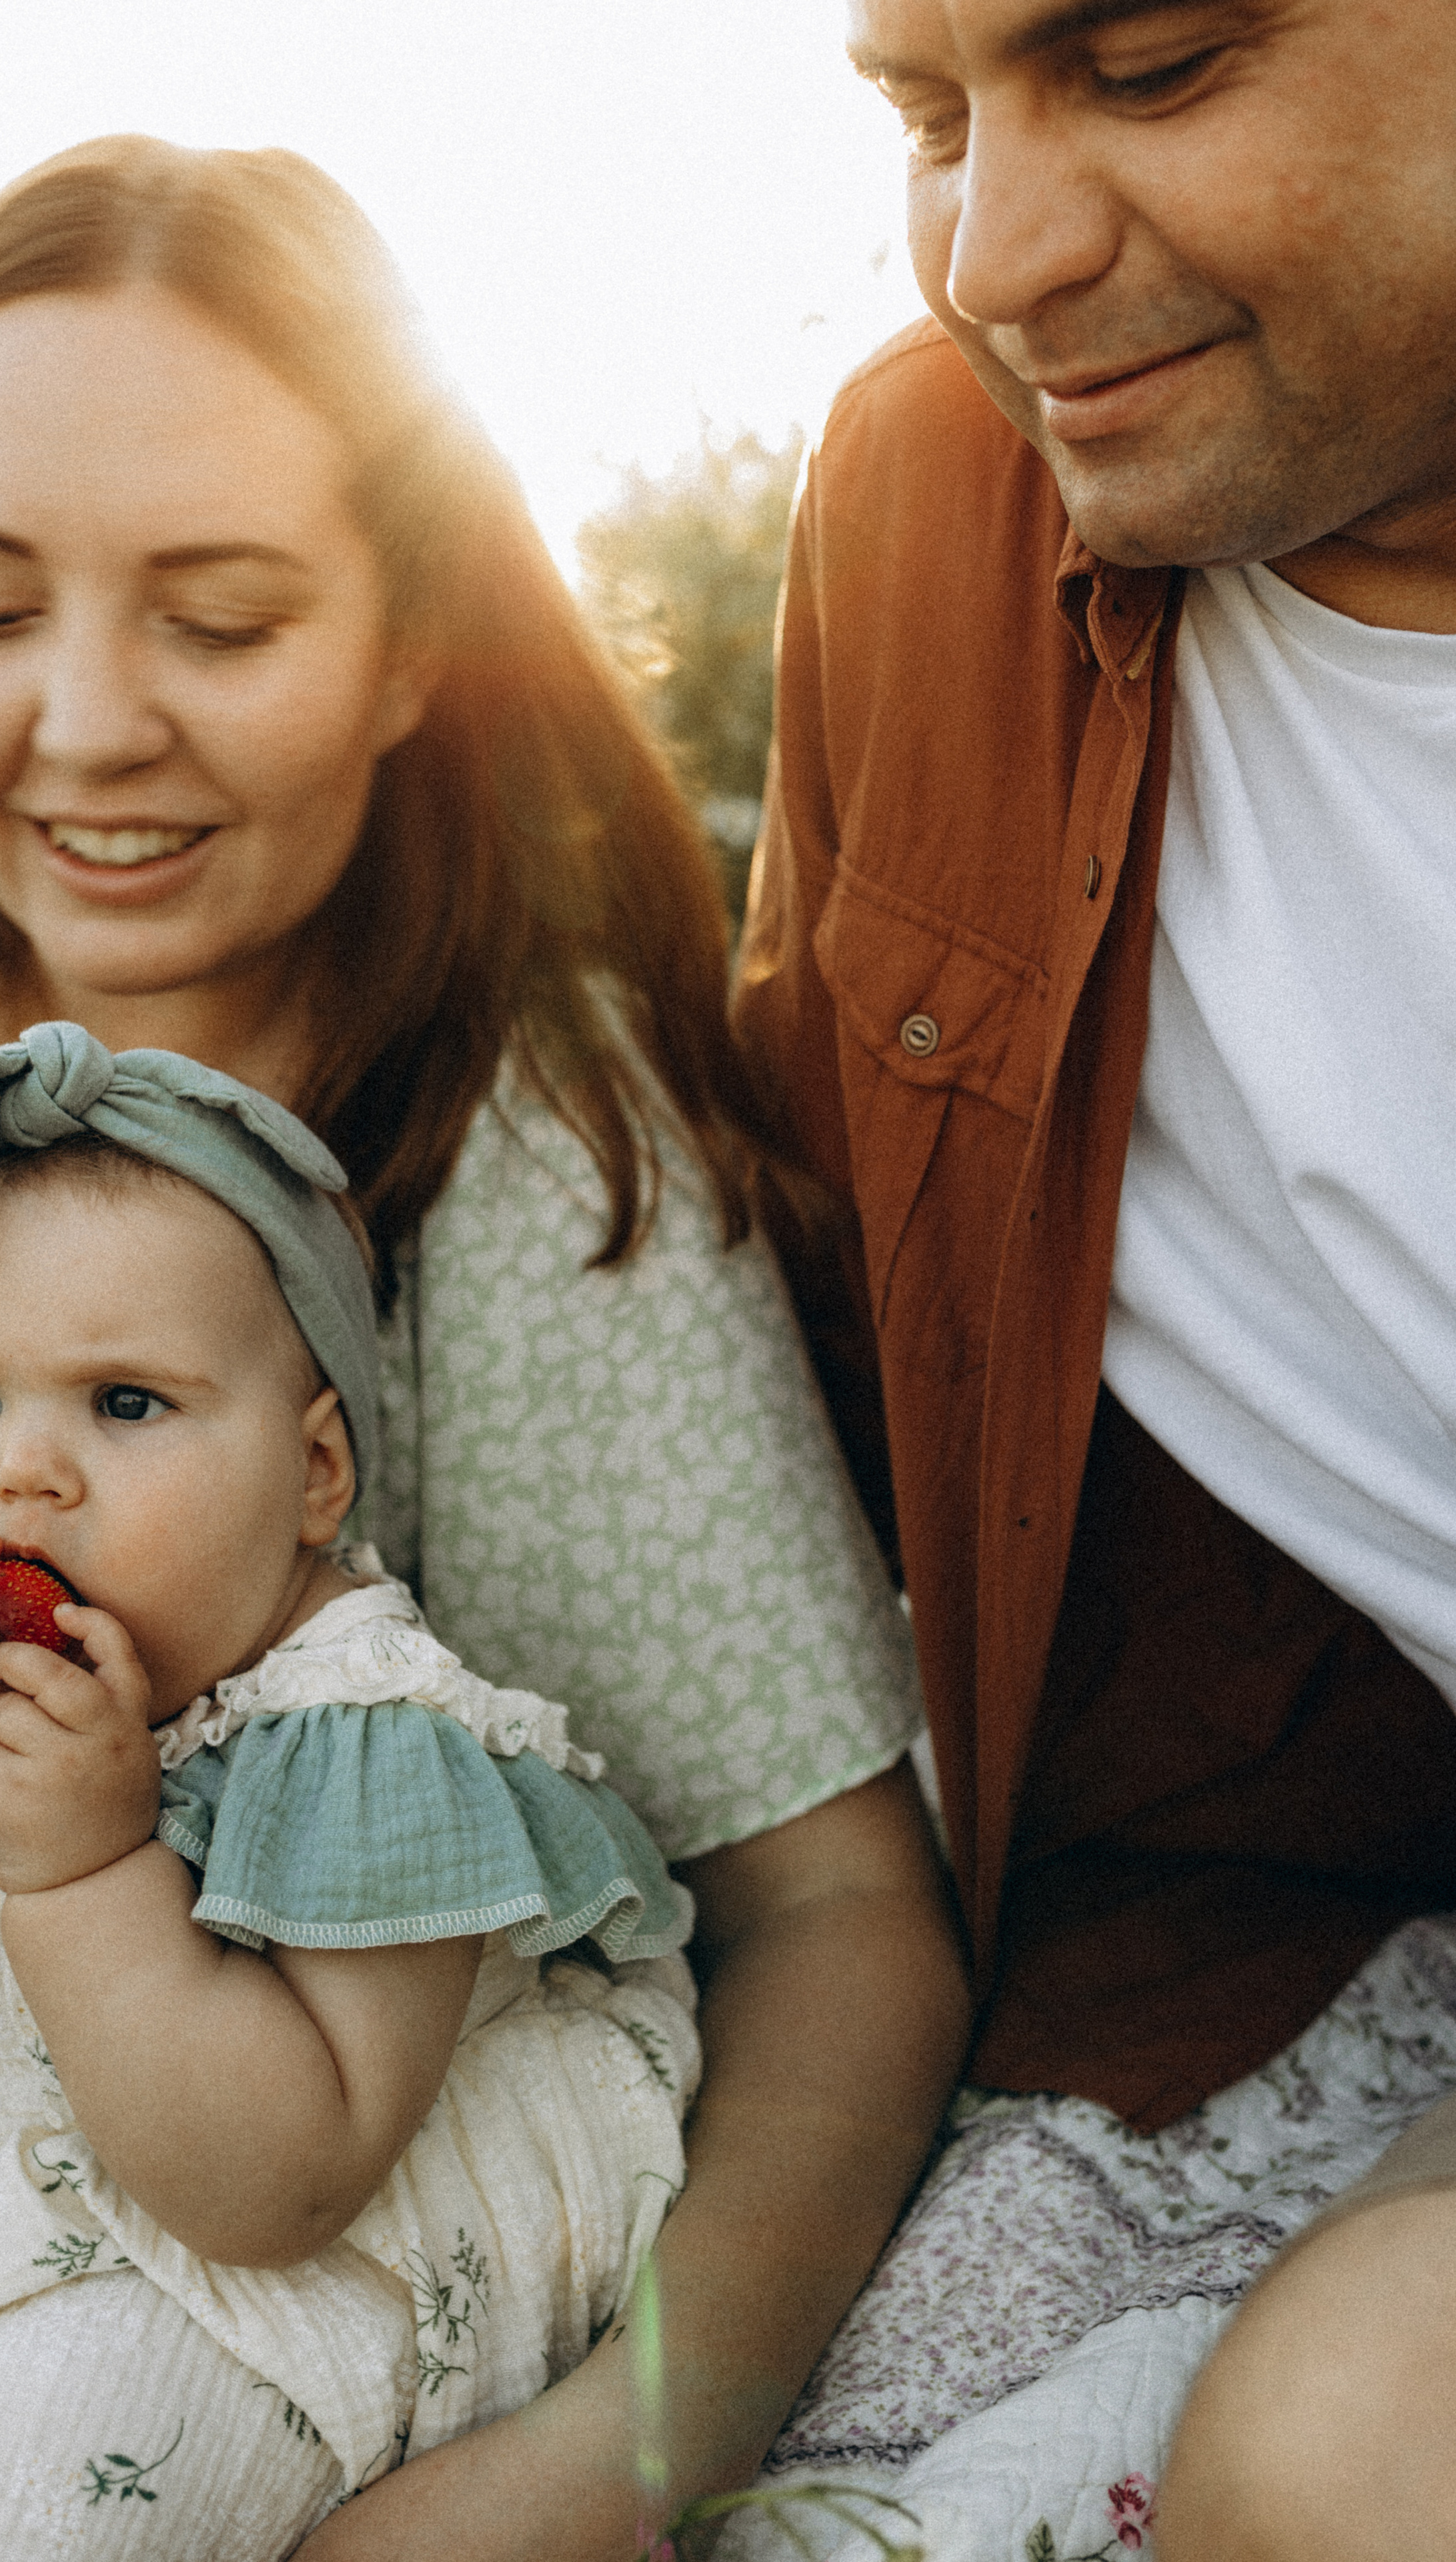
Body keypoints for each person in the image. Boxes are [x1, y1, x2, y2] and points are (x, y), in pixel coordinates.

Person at [0, 135, 969, 2557]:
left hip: (190, 2294)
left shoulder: (527, 1140)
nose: (86, 727)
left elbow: (844, 1935)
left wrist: (586, 2478)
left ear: (412, 632)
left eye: (220, 621)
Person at [734, 1, 1456, 2555]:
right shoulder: (926, 512)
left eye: (1147, 65)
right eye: (924, 118)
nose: (990, 260)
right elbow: (797, 1311)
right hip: (1259, 1915)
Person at [0, 1022, 702, 2556]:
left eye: (123, 1404)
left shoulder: (357, 1733)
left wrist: (82, 1871)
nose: (23, 1474)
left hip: (279, 2266)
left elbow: (279, 2184)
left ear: (315, 1474)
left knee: (32, 2509)